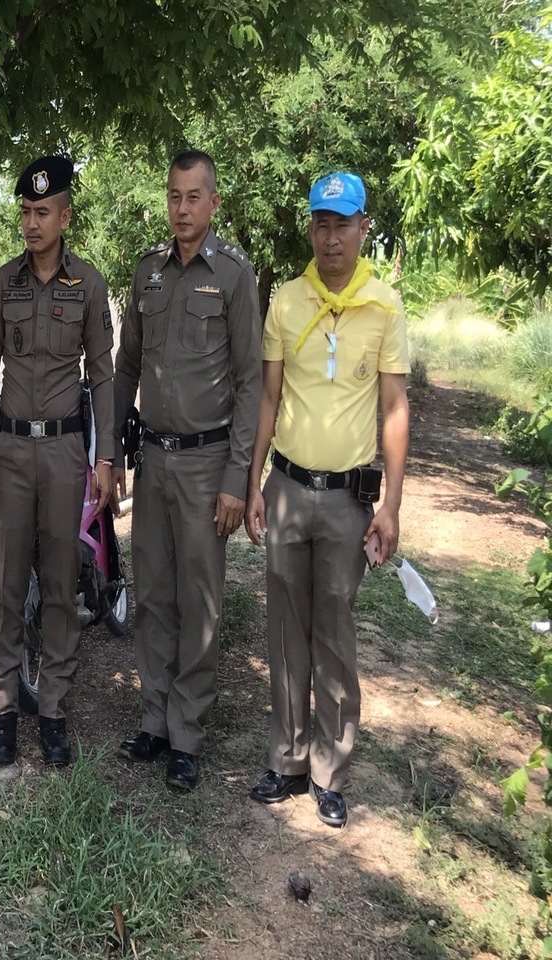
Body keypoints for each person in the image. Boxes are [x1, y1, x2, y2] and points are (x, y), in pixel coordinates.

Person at [245, 172, 410, 828]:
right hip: (287, 489)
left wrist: (391, 505)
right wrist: (253, 483)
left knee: (334, 635)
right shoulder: (287, 301)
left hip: (347, 501)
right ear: (310, 228)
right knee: (285, 630)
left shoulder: (385, 307)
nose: (331, 237)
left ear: (364, 227)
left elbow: (394, 408)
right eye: (321, 223)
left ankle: (329, 772)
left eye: (343, 224)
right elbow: (268, 397)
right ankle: (287, 758)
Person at [112, 150, 262, 790]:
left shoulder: (233, 274)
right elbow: (126, 366)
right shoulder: (147, 272)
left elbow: (252, 382)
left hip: (206, 463)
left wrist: (237, 478)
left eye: (193, 197)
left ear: (213, 202)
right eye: (174, 196)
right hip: (153, 459)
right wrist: (111, 451)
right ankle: (154, 718)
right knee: (152, 593)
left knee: (199, 600)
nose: (181, 208)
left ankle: (187, 732)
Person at [0, 156, 114, 766]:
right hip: (11, 453)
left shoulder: (89, 286)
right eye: (25, 212)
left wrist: (106, 458)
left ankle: (52, 709)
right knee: (5, 586)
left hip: (63, 452)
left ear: (65, 216)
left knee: (58, 581)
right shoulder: (5, 283)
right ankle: (4, 710)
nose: (31, 223)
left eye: (43, 212)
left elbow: (102, 374)